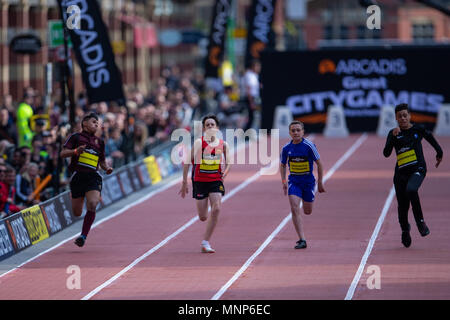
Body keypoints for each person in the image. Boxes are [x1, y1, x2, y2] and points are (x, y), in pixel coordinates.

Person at [383, 103, 443, 248]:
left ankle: (420, 222)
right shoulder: (394, 133)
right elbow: (386, 154)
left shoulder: (418, 129)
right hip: (401, 174)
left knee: (411, 190)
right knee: (402, 207)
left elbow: (431, 139)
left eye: (405, 115)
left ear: (409, 116)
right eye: (400, 116)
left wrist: (439, 153)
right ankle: (405, 229)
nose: (403, 118)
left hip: (418, 169)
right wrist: (392, 137)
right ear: (396, 118)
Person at [60, 112, 113, 247]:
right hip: (78, 176)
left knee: (93, 203)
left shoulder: (100, 142)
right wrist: (76, 151)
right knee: (77, 213)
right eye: (93, 122)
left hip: (93, 177)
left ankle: (83, 236)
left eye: (97, 123)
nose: (96, 124)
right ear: (84, 123)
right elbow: (62, 154)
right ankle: (77, 196)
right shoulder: (75, 137)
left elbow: (101, 162)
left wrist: (107, 168)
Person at [179, 115, 231, 253]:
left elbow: (229, 162)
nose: (210, 127)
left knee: (217, 208)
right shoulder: (198, 143)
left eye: (212, 124)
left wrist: (224, 173)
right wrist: (184, 182)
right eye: (207, 125)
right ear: (203, 128)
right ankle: (206, 221)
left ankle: (205, 242)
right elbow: (187, 163)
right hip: (200, 182)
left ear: (217, 128)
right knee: (202, 217)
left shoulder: (223, 144)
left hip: (215, 181)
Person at [280, 121, 325, 249]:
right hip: (294, 182)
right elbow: (282, 165)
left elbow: (320, 164)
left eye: (298, 130)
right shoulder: (286, 149)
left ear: (303, 132)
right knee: (294, 208)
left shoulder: (309, 146)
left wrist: (320, 182)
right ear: (289, 133)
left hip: (308, 183)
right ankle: (302, 239)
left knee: (307, 211)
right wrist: (283, 181)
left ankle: (309, 200)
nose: (295, 133)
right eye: (293, 130)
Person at [242, 60, 261, 131]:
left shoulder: (254, 75)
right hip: (250, 98)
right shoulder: (249, 75)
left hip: (254, 98)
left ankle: (250, 132)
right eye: (257, 66)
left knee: (254, 117)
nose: (259, 68)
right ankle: (245, 134)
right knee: (251, 117)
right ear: (253, 66)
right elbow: (248, 89)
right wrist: (251, 102)